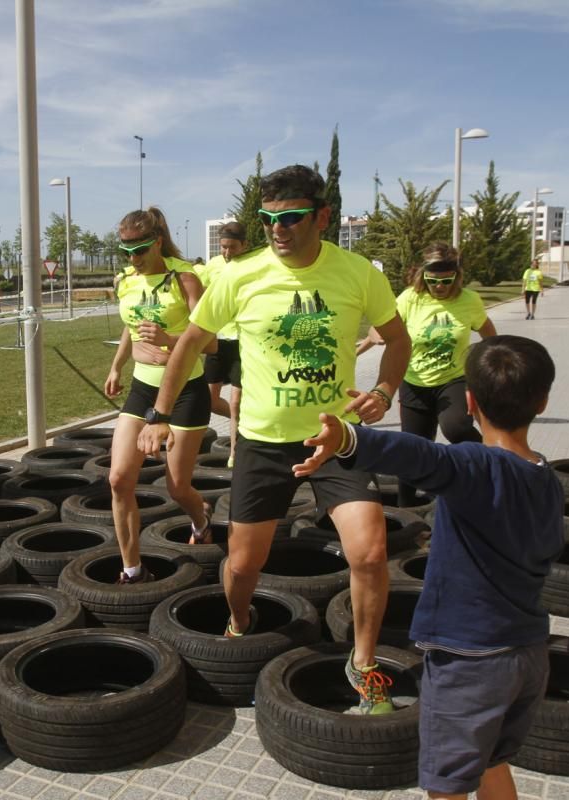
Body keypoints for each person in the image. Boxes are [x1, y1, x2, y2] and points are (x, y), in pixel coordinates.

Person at [138, 165, 412, 714]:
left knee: (371, 552)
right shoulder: (240, 277)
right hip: (262, 444)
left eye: (289, 218)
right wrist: (158, 413)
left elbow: (397, 338)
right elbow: (191, 343)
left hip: (336, 439)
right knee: (242, 566)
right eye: (268, 219)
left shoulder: (358, 273)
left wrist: (384, 389)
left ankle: (362, 664)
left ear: (322, 216)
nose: (277, 229)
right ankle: (240, 622)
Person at [293, 335, 563, 800]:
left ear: (470, 401)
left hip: (469, 660)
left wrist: (348, 437)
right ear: (542, 402)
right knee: (491, 760)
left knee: (447, 785)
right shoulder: (546, 476)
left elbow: (421, 456)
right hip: (528, 652)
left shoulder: (476, 465)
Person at [104, 206, 213, 585]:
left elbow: (210, 342)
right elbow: (130, 327)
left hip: (186, 390)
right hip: (142, 387)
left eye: (140, 250)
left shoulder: (184, 279)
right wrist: (117, 365)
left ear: (158, 242)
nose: (133, 259)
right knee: (119, 479)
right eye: (126, 252)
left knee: (177, 486)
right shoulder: (127, 281)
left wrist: (170, 341)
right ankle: (132, 569)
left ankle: (201, 518)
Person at [357, 242, 497, 506]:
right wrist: (358, 351)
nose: (440, 287)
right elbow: (384, 331)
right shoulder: (410, 298)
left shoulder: (469, 300)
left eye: (446, 281)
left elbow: (489, 333)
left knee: (455, 427)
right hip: (414, 382)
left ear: (457, 276)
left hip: (453, 379)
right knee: (413, 449)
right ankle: (406, 508)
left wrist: (494, 365)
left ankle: (495, 464)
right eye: (433, 281)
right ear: (423, 275)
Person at [195, 221, 253, 468]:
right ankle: (245, 421)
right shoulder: (214, 265)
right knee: (209, 399)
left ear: (244, 245)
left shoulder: (253, 266)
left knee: (237, 400)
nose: (227, 253)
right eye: (223, 247)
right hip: (217, 341)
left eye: (232, 247)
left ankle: (236, 454)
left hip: (243, 341)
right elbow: (197, 285)